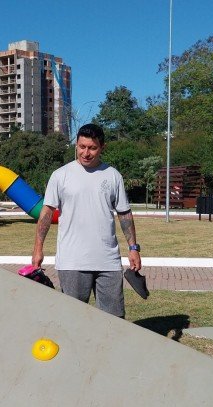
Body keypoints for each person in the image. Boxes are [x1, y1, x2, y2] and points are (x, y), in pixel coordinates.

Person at [31, 123, 141, 318]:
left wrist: (133, 249)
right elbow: (46, 213)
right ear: (76, 145)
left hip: (108, 262)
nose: (86, 153)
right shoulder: (60, 175)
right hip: (72, 262)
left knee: (113, 321)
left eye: (92, 148)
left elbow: (124, 214)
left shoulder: (113, 176)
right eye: (82, 147)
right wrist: (38, 249)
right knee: (73, 320)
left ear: (102, 147)